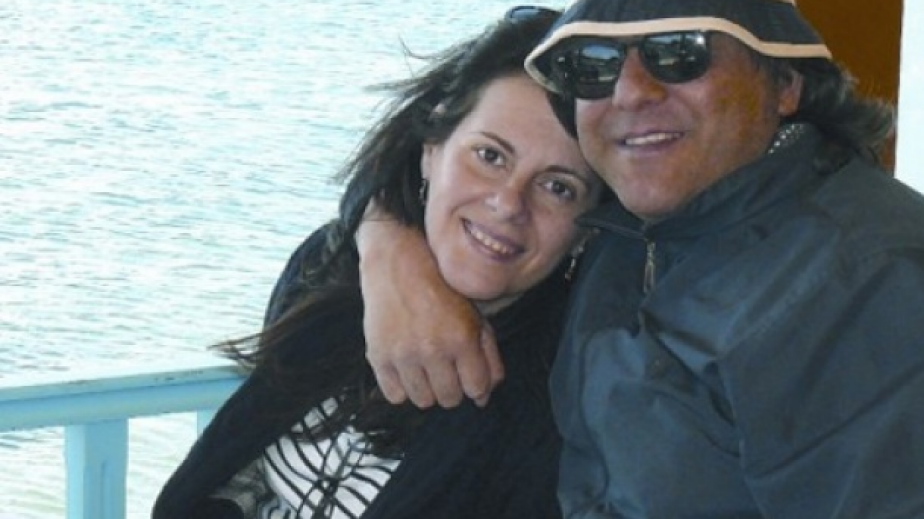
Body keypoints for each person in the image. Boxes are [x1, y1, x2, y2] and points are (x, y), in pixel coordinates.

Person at [356, 0, 924, 517]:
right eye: (593, 65)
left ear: (785, 83)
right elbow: (422, 161)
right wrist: (389, 251)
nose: (629, 93)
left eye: (678, 54)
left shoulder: (868, 282)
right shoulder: (632, 223)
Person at [152, 7, 608, 519]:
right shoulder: (330, 270)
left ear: (586, 230)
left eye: (558, 187)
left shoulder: (563, 406)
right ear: (431, 149)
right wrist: (381, 240)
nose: (508, 203)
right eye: (489, 156)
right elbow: (241, 478)